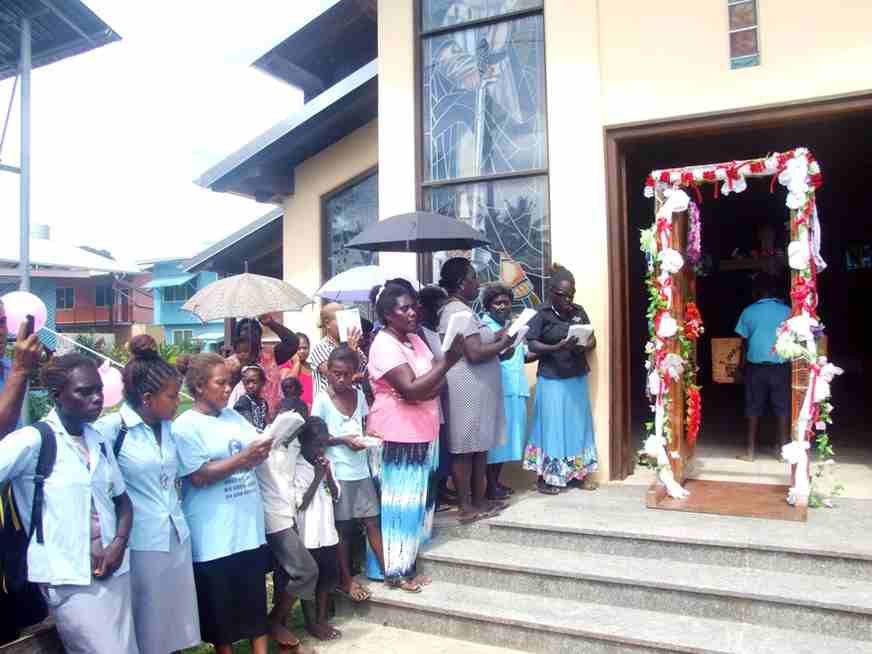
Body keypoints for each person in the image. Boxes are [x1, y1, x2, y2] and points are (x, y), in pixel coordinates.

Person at [0, 354, 137, 654]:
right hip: (66, 576)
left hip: (113, 570)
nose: (97, 398)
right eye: (84, 392)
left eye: (99, 390)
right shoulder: (34, 440)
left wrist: (119, 544)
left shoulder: (97, 439)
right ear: (56, 395)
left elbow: (123, 502)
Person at [94, 335, 201, 654]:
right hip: (139, 542)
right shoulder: (113, 430)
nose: (177, 400)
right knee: (147, 624)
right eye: (172, 396)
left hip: (176, 535)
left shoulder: (170, 428)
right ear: (148, 397)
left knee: (174, 621)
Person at [173, 353, 273, 654]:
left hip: (246, 527)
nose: (228, 389)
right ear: (200, 387)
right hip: (214, 533)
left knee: (254, 602)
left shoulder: (233, 417)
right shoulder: (185, 427)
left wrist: (265, 446)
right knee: (222, 612)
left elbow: (253, 448)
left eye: (230, 383)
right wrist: (243, 458)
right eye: (221, 383)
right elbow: (200, 476)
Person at [367, 284, 463, 592]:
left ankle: (403, 564)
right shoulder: (383, 344)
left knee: (417, 505)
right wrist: (444, 365)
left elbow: (433, 385)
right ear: (385, 315)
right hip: (397, 434)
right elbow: (412, 388)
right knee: (399, 505)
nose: (412, 312)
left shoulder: (413, 340)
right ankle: (395, 571)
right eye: (404, 308)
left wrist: (426, 384)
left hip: (422, 430)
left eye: (413, 306)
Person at [438, 257, 511, 521]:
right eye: (473, 278)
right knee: (464, 448)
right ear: (461, 283)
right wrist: (504, 343)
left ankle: (479, 501)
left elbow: (482, 346)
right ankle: (466, 507)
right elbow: (474, 353)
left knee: (478, 447)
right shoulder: (458, 312)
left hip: (478, 389)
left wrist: (502, 340)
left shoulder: (466, 310)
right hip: (465, 389)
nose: (478, 284)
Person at [312, 345, 383, 602]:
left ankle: (389, 571)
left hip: (360, 468)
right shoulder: (321, 400)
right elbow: (316, 436)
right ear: (328, 371)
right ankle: (346, 580)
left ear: (354, 374)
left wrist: (369, 436)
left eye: (346, 374)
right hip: (338, 472)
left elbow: (363, 425)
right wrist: (342, 440)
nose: (341, 379)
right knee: (343, 528)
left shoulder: (358, 395)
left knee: (372, 520)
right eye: (336, 373)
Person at [524, 264, 599, 494]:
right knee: (553, 428)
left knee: (578, 426)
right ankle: (547, 478)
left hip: (576, 376)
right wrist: (558, 346)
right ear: (554, 293)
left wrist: (585, 342)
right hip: (552, 379)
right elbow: (532, 343)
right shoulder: (541, 313)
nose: (569, 299)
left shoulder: (578, 311)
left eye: (572, 294)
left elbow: (591, 338)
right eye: (566, 295)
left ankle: (578, 474)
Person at [481, 284, 537, 499]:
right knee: (496, 442)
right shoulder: (485, 328)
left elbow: (523, 355)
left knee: (509, 440)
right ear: (488, 306)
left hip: (515, 389)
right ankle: (490, 486)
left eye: (506, 302)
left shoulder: (512, 325)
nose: (502, 306)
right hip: (498, 390)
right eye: (497, 303)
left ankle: (496, 482)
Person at [293, 417, 342, 641]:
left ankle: (321, 619)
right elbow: (301, 503)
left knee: (326, 579)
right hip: (309, 535)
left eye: (323, 444)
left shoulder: (326, 463)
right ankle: (311, 623)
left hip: (327, 533)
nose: (320, 449)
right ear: (303, 442)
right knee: (310, 582)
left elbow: (336, 495)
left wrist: (328, 475)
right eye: (316, 444)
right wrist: (317, 478)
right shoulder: (298, 467)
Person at [735, 272, 792, 462]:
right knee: (782, 408)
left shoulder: (748, 311)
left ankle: (750, 452)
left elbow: (743, 343)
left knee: (752, 408)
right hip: (780, 368)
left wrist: (740, 367)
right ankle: (783, 452)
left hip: (755, 368)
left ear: (756, 292)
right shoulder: (787, 311)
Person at [227, 315, 300, 421]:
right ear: (239, 336)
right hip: (245, 421)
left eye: (254, 330)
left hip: (274, 418)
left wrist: (271, 323)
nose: (250, 333)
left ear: (260, 334)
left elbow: (292, 343)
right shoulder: (232, 363)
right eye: (245, 330)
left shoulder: (271, 354)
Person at [0, 303, 43, 435]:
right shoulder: (17, 370)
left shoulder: (8, 368)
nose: (1, 332)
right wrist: (20, 369)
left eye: (2, 322)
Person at [310, 303, 367, 395]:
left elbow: (367, 373)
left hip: (355, 402)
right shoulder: (321, 348)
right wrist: (352, 351)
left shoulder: (353, 345)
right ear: (327, 323)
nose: (346, 324)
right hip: (331, 404)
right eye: (341, 320)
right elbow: (337, 377)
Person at [277, 333, 314, 411]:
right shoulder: (287, 366)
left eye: (305, 348)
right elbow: (287, 385)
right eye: (298, 349)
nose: (302, 351)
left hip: (312, 411)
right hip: (296, 411)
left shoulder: (312, 367)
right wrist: (297, 363)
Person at [234, 364, 270, 431]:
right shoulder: (243, 401)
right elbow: (249, 427)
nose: (250, 386)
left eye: (254, 382)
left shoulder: (263, 403)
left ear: (262, 382)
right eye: (247, 383)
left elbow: (266, 424)